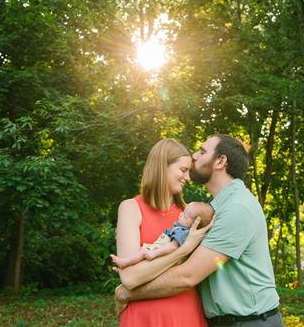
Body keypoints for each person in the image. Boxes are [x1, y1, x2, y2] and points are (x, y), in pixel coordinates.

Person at [115, 134, 284, 327]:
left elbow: (188, 276)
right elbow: (132, 275)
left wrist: (126, 293)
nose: (194, 156)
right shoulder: (207, 211)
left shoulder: (237, 208)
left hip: (250, 322)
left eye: (202, 151)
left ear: (221, 161)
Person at [113, 138, 211, 327]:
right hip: (143, 318)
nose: (188, 178)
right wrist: (183, 250)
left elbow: (190, 274)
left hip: (186, 314)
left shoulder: (190, 216)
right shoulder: (131, 208)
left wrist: (145, 271)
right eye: (183, 170)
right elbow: (130, 278)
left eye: (189, 171)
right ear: (161, 167)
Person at [111, 202, 214, 268]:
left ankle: (124, 263)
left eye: (185, 217)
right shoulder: (180, 228)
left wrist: (154, 253)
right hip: (159, 248)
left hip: (160, 251)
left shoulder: (183, 232)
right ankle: (125, 265)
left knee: (142, 251)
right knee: (140, 251)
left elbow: (173, 247)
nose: (181, 214)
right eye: (183, 212)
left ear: (193, 225)